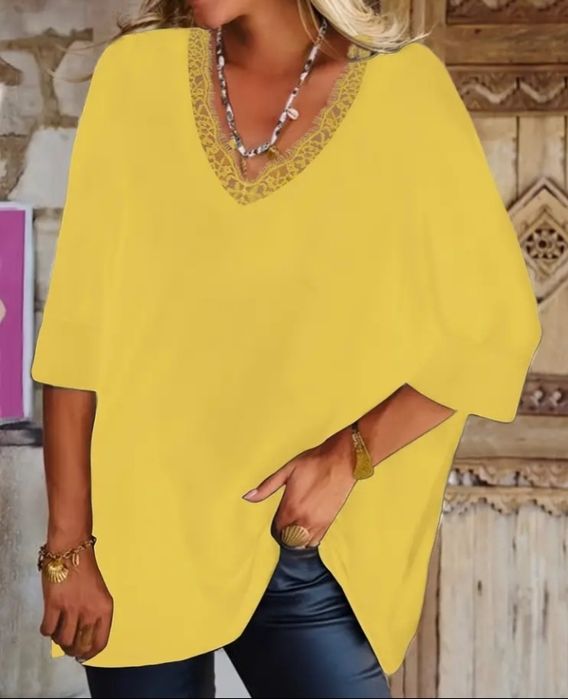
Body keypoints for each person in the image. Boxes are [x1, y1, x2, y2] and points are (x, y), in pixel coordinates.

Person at [31, 1, 542, 697]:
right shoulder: (134, 80)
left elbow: (494, 326)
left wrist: (350, 453)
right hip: (141, 534)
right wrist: (67, 547)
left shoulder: (404, 93)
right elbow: (78, 332)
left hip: (299, 546)